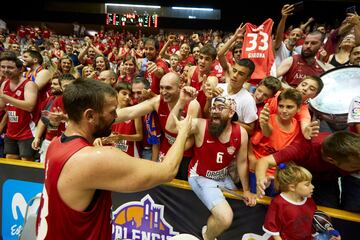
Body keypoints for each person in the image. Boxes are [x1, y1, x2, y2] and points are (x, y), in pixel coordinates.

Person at [36, 78, 192, 239]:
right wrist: (183, 132)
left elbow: (127, 113)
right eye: (112, 112)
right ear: (89, 116)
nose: (116, 116)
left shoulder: (55, 144)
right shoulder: (93, 158)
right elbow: (167, 171)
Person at [166, 93, 256, 240]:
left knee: (240, 205)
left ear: (231, 112)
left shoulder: (241, 133)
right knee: (225, 218)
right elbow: (171, 127)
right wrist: (181, 100)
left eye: (221, 108)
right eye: (213, 107)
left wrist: (246, 190)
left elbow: (242, 162)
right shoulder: (200, 125)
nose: (215, 111)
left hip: (222, 176)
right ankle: (207, 236)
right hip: (199, 176)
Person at [115, 72, 200, 180]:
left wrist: (172, 154)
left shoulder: (192, 104)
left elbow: (191, 139)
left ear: (180, 87)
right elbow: (130, 113)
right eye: (161, 88)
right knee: (162, 182)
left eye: (168, 88)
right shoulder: (158, 101)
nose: (164, 92)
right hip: (166, 148)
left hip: (186, 152)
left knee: (182, 185)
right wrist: (104, 117)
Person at [256, 131, 360, 211]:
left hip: (327, 181)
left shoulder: (354, 156)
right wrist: (261, 179)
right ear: (331, 160)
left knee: (329, 213)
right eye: (355, 166)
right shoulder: (304, 147)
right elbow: (265, 161)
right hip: (299, 178)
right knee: (287, 208)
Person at [263, 163, 341, 240]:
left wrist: (329, 231)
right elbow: (273, 229)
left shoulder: (309, 200)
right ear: (292, 187)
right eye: (307, 184)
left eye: (311, 183)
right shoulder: (278, 203)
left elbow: (313, 223)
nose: (313, 187)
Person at [249, 89, 303, 196]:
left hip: (280, 174)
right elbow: (266, 131)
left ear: (298, 108)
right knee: (257, 200)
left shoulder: (298, 127)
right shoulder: (268, 119)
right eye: (281, 106)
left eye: (289, 107)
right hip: (258, 170)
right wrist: (264, 123)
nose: (284, 110)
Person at [0, 51, 38, 161]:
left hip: (27, 132)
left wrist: (6, 97)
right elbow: (2, 105)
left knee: (26, 164)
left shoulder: (29, 84)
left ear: (20, 69)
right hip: (11, 132)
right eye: (2, 67)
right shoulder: (4, 84)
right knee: (10, 162)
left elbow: (29, 106)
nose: (5, 70)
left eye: (10, 67)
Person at [94, 83, 143, 157]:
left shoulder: (134, 111)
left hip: (130, 151)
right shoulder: (108, 111)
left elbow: (139, 136)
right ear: (116, 93)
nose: (127, 97)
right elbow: (100, 130)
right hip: (111, 150)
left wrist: (121, 137)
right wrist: (98, 138)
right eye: (124, 93)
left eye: (129, 95)